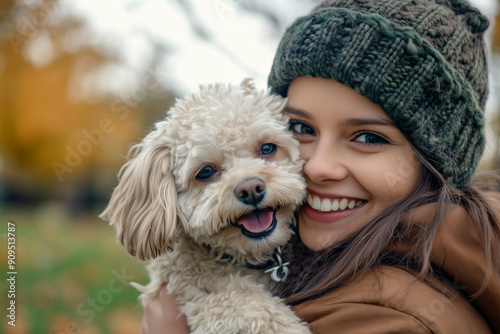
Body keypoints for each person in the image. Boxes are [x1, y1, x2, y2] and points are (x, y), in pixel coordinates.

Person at [142, 0, 500, 333]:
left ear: (434, 164)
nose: (317, 168)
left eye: (369, 138)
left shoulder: (385, 318)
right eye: (301, 129)